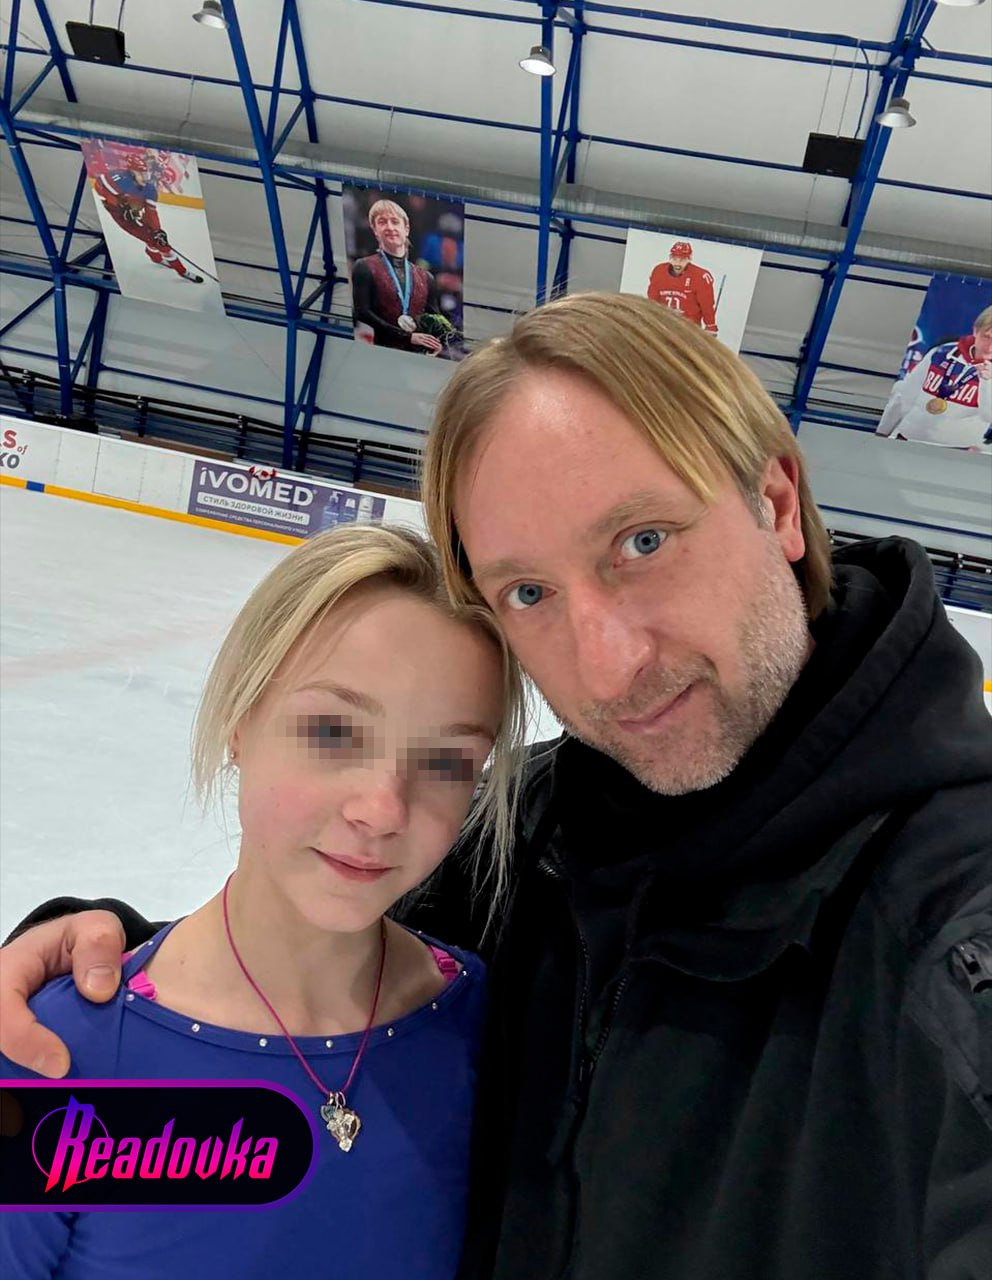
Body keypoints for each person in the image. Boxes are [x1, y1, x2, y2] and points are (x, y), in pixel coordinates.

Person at [3, 294, 991, 1280]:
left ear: (775, 503)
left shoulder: (952, 926)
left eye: (644, 540)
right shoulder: (539, 839)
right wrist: (86, 960)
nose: (606, 666)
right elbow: (302, 942)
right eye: (529, 591)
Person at [0, 525, 525, 1279]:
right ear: (241, 722)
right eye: (333, 731)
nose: (382, 809)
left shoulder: (483, 1027)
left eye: (447, 761)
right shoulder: (54, 1056)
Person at [877, 305, 992, 450]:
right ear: (975, 330)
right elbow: (904, 396)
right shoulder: (941, 352)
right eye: (986, 337)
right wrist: (882, 432)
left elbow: (988, 416)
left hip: (956, 452)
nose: (989, 347)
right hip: (905, 440)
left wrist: (987, 382)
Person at [91, 148, 204, 285]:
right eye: (142, 174)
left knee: (157, 238)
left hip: (136, 211)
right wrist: (117, 205)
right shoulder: (118, 179)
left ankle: (154, 256)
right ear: (132, 172)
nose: (146, 177)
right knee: (159, 244)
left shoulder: (150, 189)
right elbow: (100, 186)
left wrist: (157, 231)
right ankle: (182, 271)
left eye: (146, 173)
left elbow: (151, 213)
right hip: (122, 216)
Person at [350, 199, 445, 355]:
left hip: (416, 355)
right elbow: (362, 312)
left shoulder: (426, 277)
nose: (390, 227)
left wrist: (439, 341)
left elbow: (435, 318)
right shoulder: (364, 266)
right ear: (375, 230)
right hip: (381, 352)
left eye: (395, 222)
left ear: (406, 228)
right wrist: (407, 337)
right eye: (382, 222)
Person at [646, 240, 719, 333]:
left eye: (682, 260)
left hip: (689, 328)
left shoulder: (700, 277)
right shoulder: (659, 271)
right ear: (670, 257)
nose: (677, 263)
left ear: (689, 259)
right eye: (674, 259)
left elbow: (706, 305)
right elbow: (652, 299)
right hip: (663, 324)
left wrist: (710, 325)